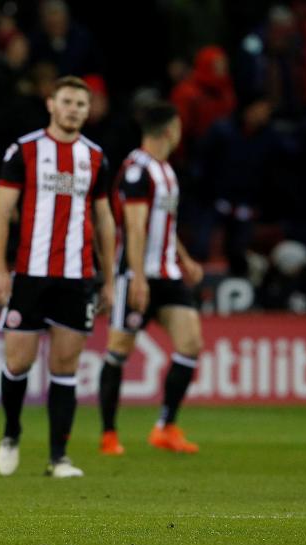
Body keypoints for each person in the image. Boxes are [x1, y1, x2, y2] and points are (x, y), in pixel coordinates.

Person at [0, 75, 115, 479]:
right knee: (18, 359)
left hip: (77, 278)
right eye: (67, 101)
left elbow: (104, 219)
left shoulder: (95, 157)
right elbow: (1, 213)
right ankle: (11, 433)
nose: (74, 109)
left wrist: (109, 278)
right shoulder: (24, 151)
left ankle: (59, 457)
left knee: (65, 365)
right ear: (51, 104)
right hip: (30, 274)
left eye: (81, 103)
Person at [97, 102, 204, 456]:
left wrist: (184, 258)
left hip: (168, 275)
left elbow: (164, 225)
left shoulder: (166, 172)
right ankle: (109, 434)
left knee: (190, 344)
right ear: (169, 130)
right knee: (118, 352)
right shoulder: (136, 170)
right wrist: (138, 277)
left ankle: (165, 426)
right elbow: (135, 226)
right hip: (136, 275)